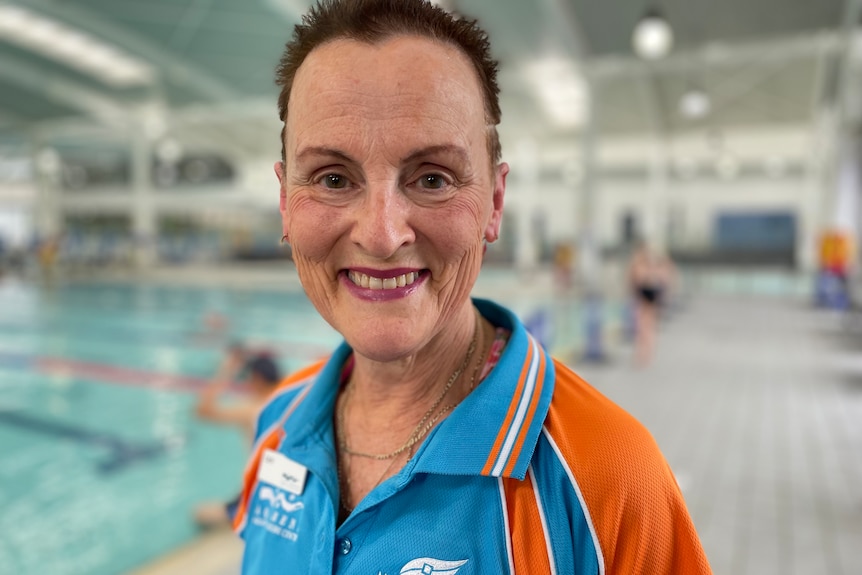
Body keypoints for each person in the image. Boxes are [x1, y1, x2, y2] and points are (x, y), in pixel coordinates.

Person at [232, 1, 712, 573]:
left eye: (432, 178)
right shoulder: (279, 426)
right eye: (333, 179)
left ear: (495, 202)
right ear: (286, 202)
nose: (382, 235)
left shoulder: (607, 477)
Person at [193, 344, 281, 529]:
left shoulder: (253, 408)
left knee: (199, 514)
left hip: (258, 494)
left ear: (256, 379)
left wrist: (226, 370)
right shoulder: (289, 399)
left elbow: (203, 410)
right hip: (283, 487)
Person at [627, 239, 674, 366]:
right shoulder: (648, 262)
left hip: (647, 292)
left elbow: (634, 279)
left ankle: (645, 352)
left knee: (645, 324)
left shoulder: (642, 262)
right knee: (646, 324)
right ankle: (645, 351)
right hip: (649, 292)